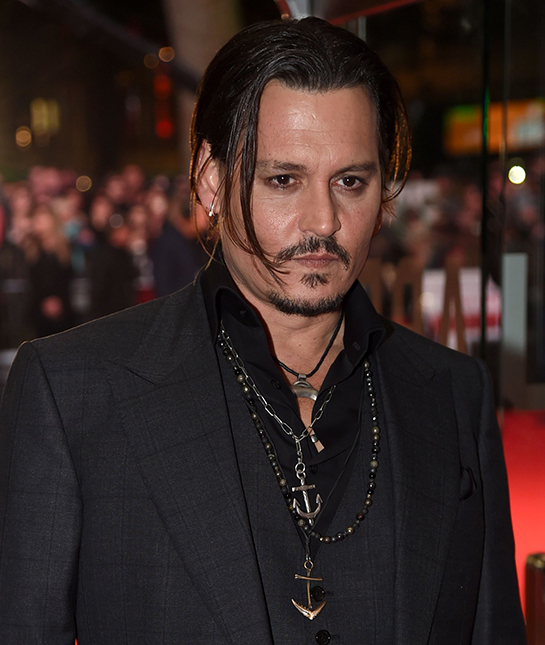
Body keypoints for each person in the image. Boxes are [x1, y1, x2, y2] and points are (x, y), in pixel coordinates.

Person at [0, 17, 526, 645]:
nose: (323, 220)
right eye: (284, 180)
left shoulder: (453, 393)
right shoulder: (72, 392)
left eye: (350, 182)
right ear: (211, 179)